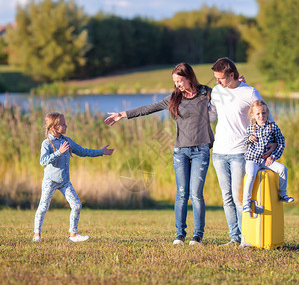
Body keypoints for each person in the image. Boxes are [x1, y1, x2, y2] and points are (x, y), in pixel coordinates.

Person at [104, 63, 213, 246]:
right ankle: (180, 234)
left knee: (196, 194)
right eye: (174, 81)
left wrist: (240, 84)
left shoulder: (206, 92)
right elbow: (150, 108)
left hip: (201, 150)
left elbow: (227, 95)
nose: (177, 84)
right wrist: (123, 114)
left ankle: (197, 236)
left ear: (189, 77)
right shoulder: (173, 98)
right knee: (181, 193)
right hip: (180, 152)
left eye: (179, 80)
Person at [209, 57, 276, 246]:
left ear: (232, 75)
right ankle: (234, 238)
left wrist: (272, 144)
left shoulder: (249, 92)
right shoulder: (217, 91)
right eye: (215, 78)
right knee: (227, 198)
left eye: (221, 78)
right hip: (219, 151)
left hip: (241, 151)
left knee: (239, 198)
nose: (218, 82)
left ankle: (246, 238)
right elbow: (211, 114)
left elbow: (266, 117)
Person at [33, 112, 114, 243]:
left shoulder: (67, 141)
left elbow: (82, 151)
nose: (66, 126)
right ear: (54, 127)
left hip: (65, 182)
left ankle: (73, 235)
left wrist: (101, 152)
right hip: (50, 181)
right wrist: (58, 153)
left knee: (76, 205)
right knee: (43, 207)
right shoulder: (46, 144)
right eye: (63, 124)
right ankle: (37, 234)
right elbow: (43, 161)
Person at [242, 100, 294, 213]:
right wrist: (248, 138)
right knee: (250, 175)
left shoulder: (273, 127)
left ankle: (282, 194)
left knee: (282, 169)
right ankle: (246, 202)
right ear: (253, 115)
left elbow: (281, 143)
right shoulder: (251, 128)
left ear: (267, 113)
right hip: (253, 160)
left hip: (266, 161)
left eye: (263, 113)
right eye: (258, 114)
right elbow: (244, 144)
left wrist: (273, 156)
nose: (261, 116)